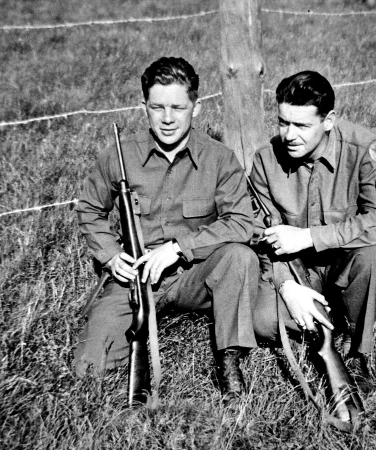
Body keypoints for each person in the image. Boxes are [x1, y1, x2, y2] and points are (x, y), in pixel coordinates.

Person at [73, 57, 258, 402]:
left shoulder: (219, 158)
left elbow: (241, 222)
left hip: (194, 273)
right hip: (137, 280)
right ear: (144, 106)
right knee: (89, 368)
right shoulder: (118, 155)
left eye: (178, 107)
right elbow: (90, 209)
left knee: (239, 256)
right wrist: (112, 256)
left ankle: (228, 361)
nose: (168, 118)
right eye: (157, 107)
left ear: (196, 108)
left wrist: (178, 247)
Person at [250, 70, 376, 391]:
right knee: (262, 320)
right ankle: (324, 326)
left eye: (302, 125)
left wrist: (308, 237)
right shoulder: (264, 161)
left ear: (328, 121)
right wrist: (287, 287)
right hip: (299, 271)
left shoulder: (363, 149)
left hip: (346, 265)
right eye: (282, 122)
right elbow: (263, 235)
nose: (289, 135)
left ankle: (359, 351)